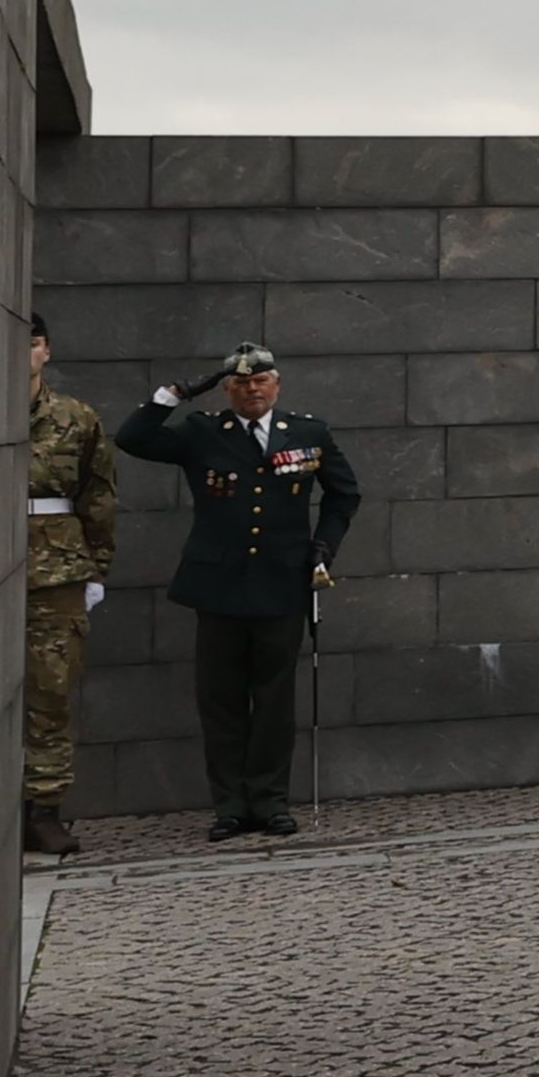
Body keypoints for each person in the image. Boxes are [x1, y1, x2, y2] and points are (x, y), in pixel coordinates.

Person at [115, 344, 360, 840]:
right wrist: (177, 394)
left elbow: (344, 494)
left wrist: (324, 546)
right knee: (221, 699)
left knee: (274, 700)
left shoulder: (308, 433)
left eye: (261, 381)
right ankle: (229, 805)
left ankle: (270, 801)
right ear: (227, 390)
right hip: (219, 585)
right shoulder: (202, 432)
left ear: (277, 385)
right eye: (242, 383)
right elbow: (132, 438)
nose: (252, 390)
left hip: (282, 582)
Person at [22, 314, 118, 857]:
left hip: (54, 571)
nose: (25, 353)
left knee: (49, 692)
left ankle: (43, 807)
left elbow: (98, 497)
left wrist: (95, 568)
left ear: (47, 351)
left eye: (33, 343)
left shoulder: (75, 418)